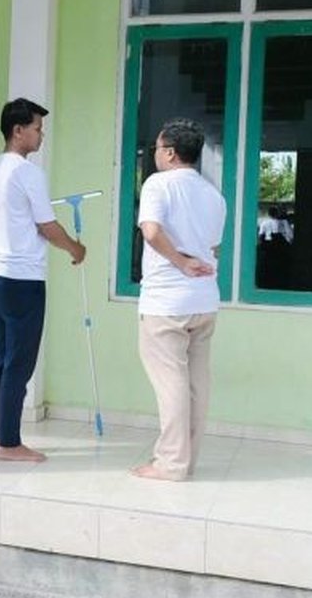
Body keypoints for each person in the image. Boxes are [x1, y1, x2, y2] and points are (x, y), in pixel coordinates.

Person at [0, 98, 86, 461]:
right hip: (21, 278)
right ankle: (9, 443)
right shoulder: (27, 173)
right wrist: (75, 248)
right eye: (37, 128)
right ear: (17, 130)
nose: (41, 136)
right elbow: (47, 226)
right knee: (18, 362)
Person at [132, 118, 226, 482]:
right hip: (204, 302)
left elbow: (151, 231)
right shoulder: (213, 195)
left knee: (170, 383)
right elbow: (213, 247)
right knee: (197, 384)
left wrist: (180, 262)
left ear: (170, 153)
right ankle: (185, 459)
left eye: (156, 148)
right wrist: (192, 260)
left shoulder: (159, 184)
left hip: (165, 303)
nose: (154, 155)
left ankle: (170, 463)